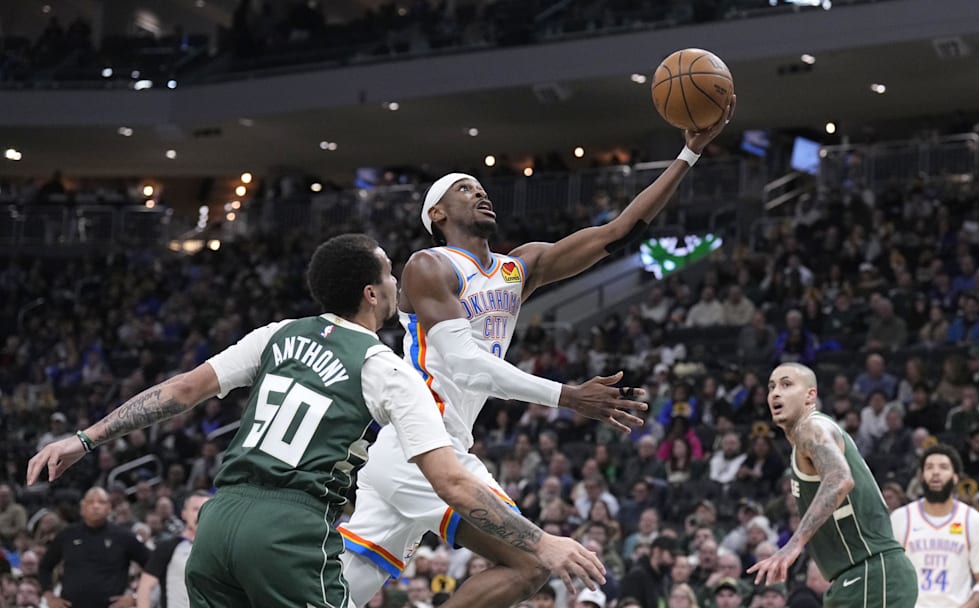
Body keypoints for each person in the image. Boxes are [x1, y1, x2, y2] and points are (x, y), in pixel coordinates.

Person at [28, 234, 604, 608]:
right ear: (372, 293)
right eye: (390, 275)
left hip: (218, 522)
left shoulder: (277, 333)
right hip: (288, 532)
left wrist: (86, 438)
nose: (399, 284)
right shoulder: (385, 366)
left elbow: (180, 392)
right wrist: (542, 541)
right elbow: (451, 482)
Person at [339, 101, 736, 608]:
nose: (480, 192)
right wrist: (568, 396)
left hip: (430, 446)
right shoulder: (428, 265)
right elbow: (465, 364)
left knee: (341, 589)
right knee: (532, 561)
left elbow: (619, 232)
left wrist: (689, 154)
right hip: (420, 446)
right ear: (437, 214)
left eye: (481, 188)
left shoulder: (517, 268)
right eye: (464, 189)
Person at [747, 362, 917, 607]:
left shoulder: (811, 427)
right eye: (771, 387)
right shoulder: (807, 439)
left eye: (786, 385)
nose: (775, 393)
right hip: (860, 576)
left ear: (810, 395)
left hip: (870, 572)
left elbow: (840, 479)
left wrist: (793, 544)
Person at [890, 444, 979, 607]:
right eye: (929, 467)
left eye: (943, 467)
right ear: (921, 477)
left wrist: (969, 605)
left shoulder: (974, 521)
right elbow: (888, 573)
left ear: (955, 477)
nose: (935, 472)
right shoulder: (900, 518)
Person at [38, 487, 149, 608]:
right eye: (91, 502)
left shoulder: (124, 536)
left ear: (109, 508)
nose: (96, 506)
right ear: (82, 508)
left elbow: (153, 565)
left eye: (101, 502)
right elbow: (44, 567)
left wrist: (135, 597)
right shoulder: (67, 535)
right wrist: (49, 597)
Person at [135, 491, 212, 608]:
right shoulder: (168, 546)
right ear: (184, 513)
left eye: (206, 509)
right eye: (196, 509)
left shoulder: (221, 548)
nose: (201, 514)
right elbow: (145, 587)